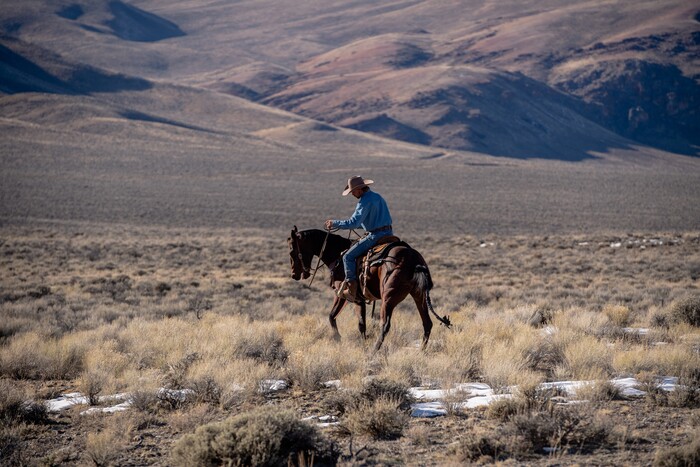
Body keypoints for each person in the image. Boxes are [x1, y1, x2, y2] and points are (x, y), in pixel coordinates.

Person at [325, 176, 394, 302]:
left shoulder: (364, 201)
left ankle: (352, 290)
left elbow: (354, 223)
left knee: (348, 257)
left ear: (359, 190)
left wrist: (334, 223)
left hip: (376, 235)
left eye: (353, 192)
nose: (352, 194)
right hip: (389, 233)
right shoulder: (377, 196)